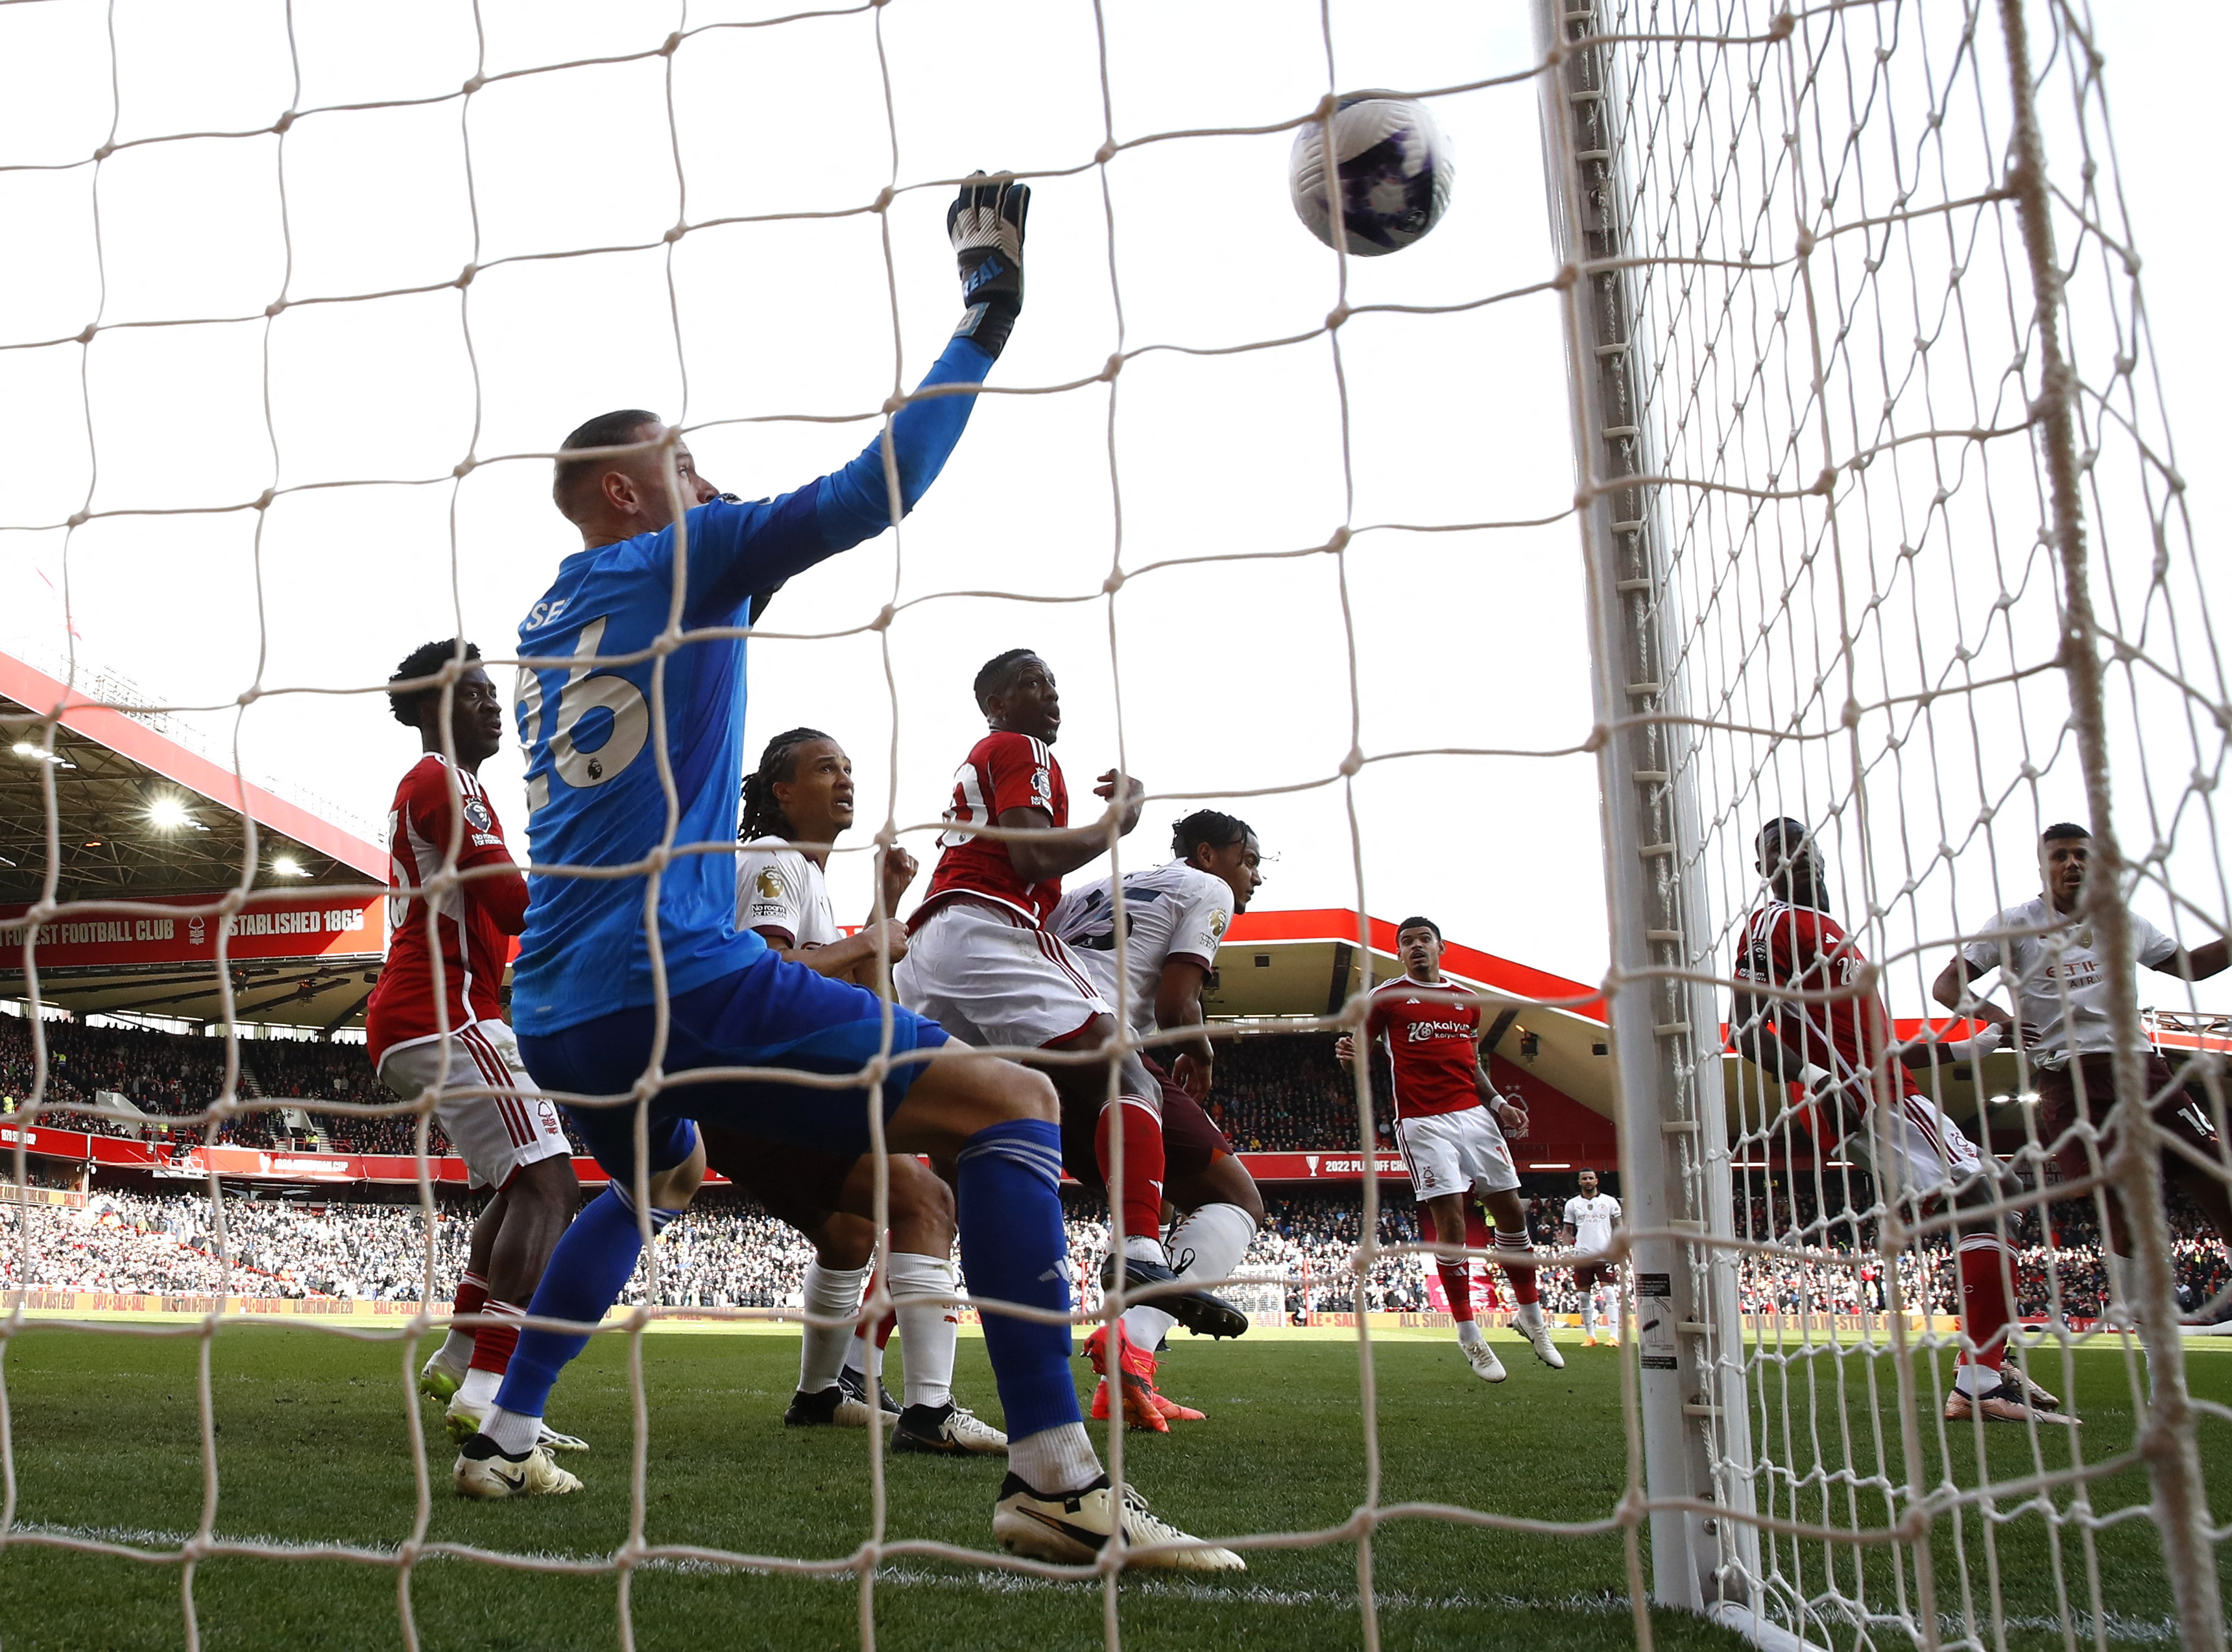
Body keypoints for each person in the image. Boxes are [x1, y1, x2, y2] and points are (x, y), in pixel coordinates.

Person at [463, 175, 1238, 1570]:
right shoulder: (677, 551)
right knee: (1004, 1100)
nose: (711, 478)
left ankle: (503, 1438)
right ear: (636, 491)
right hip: (671, 970)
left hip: (560, 1003)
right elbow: (870, 490)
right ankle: (1054, 1475)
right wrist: (982, 317)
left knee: (646, 1185)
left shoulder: (548, 619)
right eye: (687, 461)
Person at [894, 650, 1247, 1344]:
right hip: (983, 929)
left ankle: (868, 1370)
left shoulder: (986, 764)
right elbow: (1032, 856)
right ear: (995, 703)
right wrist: (1119, 821)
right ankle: (1140, 1252)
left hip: (930, 950)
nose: (1050, 695)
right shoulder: (1019, 746)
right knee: (1124, 1069)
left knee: (958, 1164)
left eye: (1053, 683)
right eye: (1031, 683)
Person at [715, 726, 1002, 1455]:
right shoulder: (773, 860)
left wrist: (880, 909)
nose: (845, 779)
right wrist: (877, 938)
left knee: (847, 1232)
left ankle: (820, 1395)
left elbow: (865, 993)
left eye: (848, 767)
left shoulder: (805, 875)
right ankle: (932, 1411)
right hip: (761, 1085)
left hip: (740, 1095)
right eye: (824, 768)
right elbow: (772, 975)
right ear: (783, 793)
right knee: (927, 1198)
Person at [1732, 818, 2066, 1425]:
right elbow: (1747, 1027)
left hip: (1892, 1088)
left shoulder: (1834, 934)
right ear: (1763, 871)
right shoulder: (1772, 922)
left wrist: (1975, 1045)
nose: (1794, 855)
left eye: (1802, 843)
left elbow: (1876, 1045)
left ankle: (1989, 1359)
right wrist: (1818, 1080)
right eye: (1777, 850)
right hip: (1863, 1100)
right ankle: (1979, 1381)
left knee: (2005, 1192)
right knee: (1987, 1191)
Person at [364, 639, 584, 1453]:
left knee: (517, 1185)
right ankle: (495, 1396)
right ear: (432, 707)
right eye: (475, 694)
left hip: (427, 1013)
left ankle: (460, 1360)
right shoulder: (443, 781)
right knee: (551, 1190)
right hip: (446, 1013)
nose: (494, 705)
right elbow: (514, 902)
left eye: (495, 695)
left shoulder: (443, 787)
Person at [1930, 820, 2231, 1324]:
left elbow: (2191, 966)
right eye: (2060, 855)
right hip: (2069, 1081)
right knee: (2121, 1211)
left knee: (2216, 1175)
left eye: (2081, 855)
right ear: (2043, 864)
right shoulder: (2014, 924)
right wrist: (1999, 1018)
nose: (2072, 864)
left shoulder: (2122, 921)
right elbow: (1947, 985)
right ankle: (2148, 1333)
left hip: (2145, 1072)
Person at [1049, 810, 1265, 1428]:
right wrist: (1200, 1048)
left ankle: (1129, 1376)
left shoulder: (1090, 888)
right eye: (1248, 860)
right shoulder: (1208, 888)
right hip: (1105, 1047)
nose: (1252, 876)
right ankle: (1131, 1349)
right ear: (1208, 853)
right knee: (1236, 1200)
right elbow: (1175, 1002)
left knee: (1161, 1209)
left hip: (1032, 1045)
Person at [1336, 917, 1565, 1382]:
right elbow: (1359, 1049)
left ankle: (1531, 1318)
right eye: (1406, 942)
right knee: (1452, 1224)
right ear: (1399, 953)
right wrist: (1351, 1055)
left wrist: (1498, 1103)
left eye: (1423, 939)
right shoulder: (1386, 998)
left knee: (1512, 1215)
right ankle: (1468, 1334)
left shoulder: (1466, 1001)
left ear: (1441, 947)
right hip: (1422, 1121)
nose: (1416, 946)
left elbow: (1470, 1061)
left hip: (1474, 1117)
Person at [1559, 1168, 1622, 1347]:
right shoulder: (1572, 1204)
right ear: (1579, 1182)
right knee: (1583, 1296)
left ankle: (1613, 1336)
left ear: (1597, 1181)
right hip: (1582, 1255)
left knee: (1609, 1292)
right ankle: (1590, 1336)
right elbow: (1568, 1230)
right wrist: (1565, 1250)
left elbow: (1619, 1226)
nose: (1588, 1181)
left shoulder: (1610, 1202)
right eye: (1584, 1179)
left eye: (1591, 1178)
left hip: (1604, 1254)